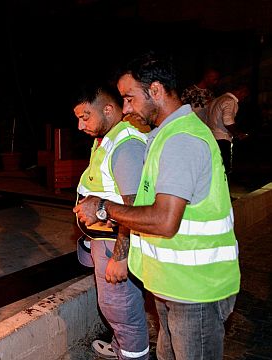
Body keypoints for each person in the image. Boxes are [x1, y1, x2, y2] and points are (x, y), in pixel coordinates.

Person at [74, 51, 240, 359]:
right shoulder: (164, 137)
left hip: (196, 291)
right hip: (174, 286)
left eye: (129, 98)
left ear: (155, 91)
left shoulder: (182, 141)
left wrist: (103, 208)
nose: (125, 108)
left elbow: (164, 220)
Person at [72, 83, 150, 360]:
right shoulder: (107, 137)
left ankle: (133, 354)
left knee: (120, 308)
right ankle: (122, 347)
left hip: (114, 242)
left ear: (107, 109)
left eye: (85, 117)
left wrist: (120, 257)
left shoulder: (125, 145)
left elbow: (134, 208)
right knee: (117, 306)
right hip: (102, 239)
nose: (81, 126)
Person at [205, 83, 250, 176]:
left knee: (213, 169)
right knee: (224, 170)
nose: (245, 97)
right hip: (222, 139)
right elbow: (227, 120)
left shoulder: (217, 100)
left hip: (211, 138)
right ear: (240, 91)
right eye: (245, 94)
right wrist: (237, 134)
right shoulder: (230, 101)